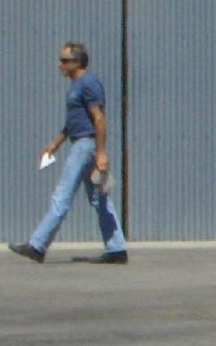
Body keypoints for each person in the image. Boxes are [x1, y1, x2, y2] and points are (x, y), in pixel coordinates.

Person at [10, 42, 128, 263]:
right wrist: (56, 143)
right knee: (100, 198)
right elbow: (73, 123)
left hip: (86, 147)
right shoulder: (75, 86)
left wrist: (101, 153)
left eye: (64, 60)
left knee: (62, 196)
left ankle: (37, 245)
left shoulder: (88, 83)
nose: (60, 64)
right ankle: (116, 249)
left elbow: (99, 118)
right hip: (82, 143)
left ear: (78, 62)